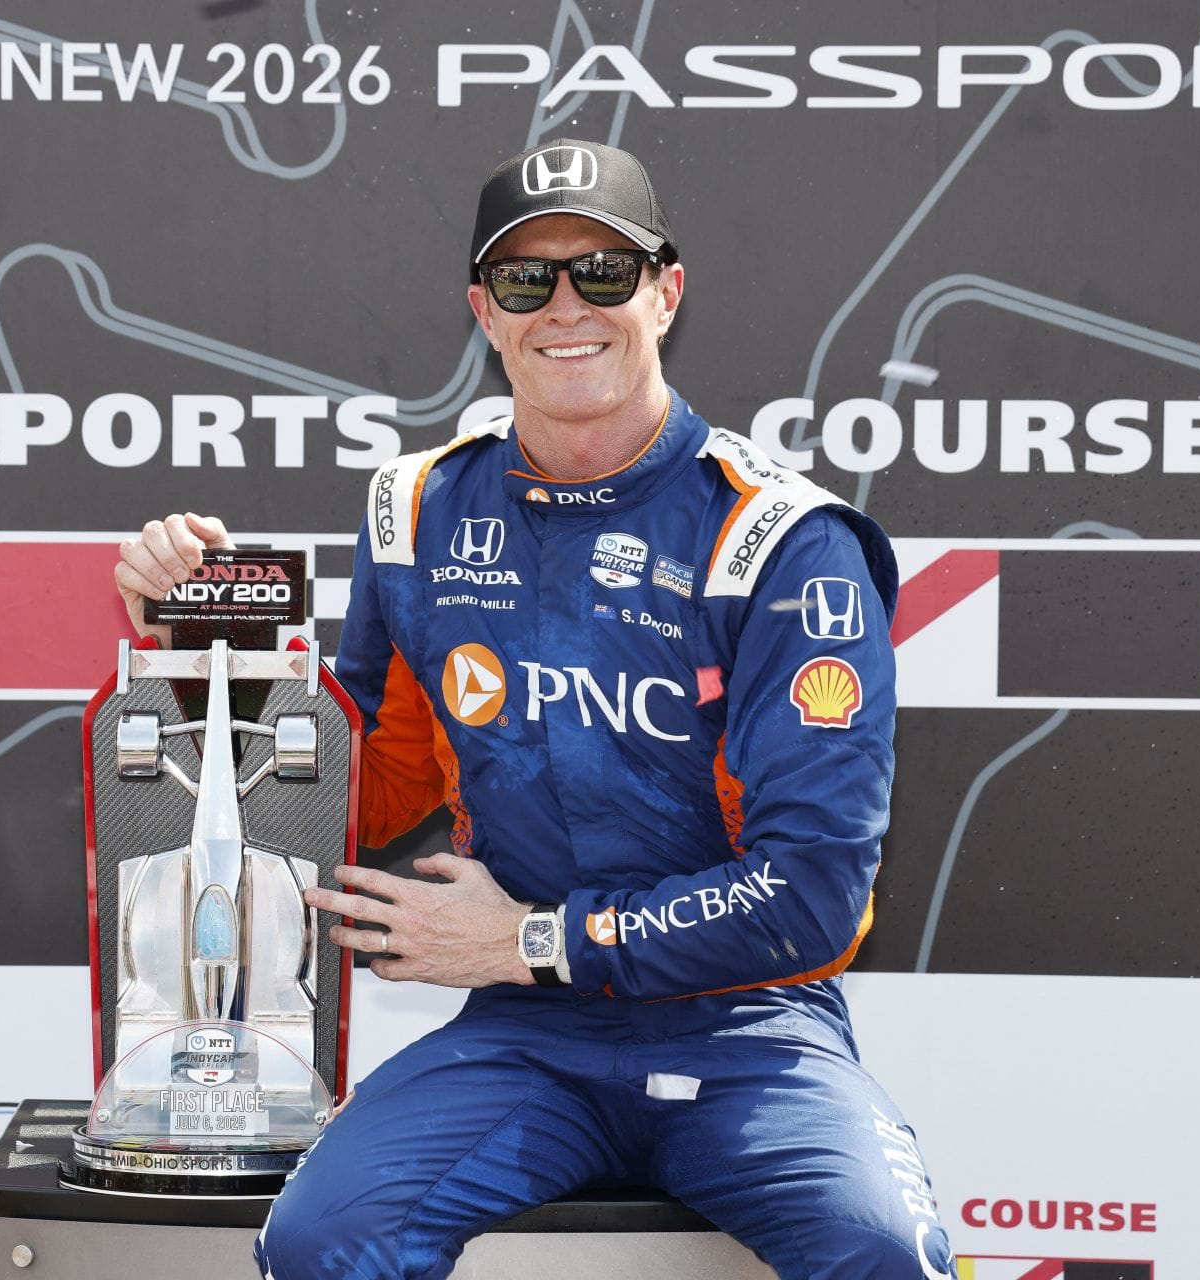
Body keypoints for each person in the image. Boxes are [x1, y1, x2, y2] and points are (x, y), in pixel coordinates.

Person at [114, 138, 955, 1280]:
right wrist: (210, 641)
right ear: (485, 311)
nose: (568, 305)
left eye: (604, 272)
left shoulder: (782, 543)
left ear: (666, 291)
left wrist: (528, 939)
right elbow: (338, 801)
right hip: (530, 1039)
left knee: (883, 1252)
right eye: (528, 279)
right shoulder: (419, 510)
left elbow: (810, 895)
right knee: (320, 1240)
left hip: (749, 1027)